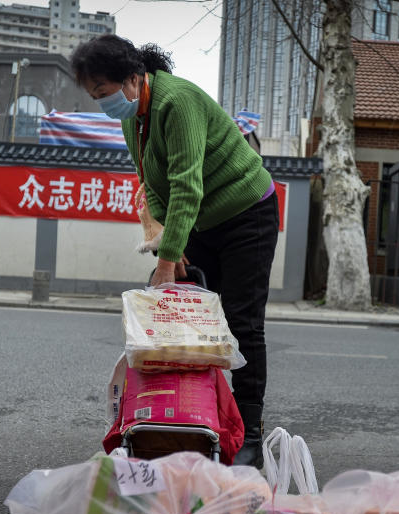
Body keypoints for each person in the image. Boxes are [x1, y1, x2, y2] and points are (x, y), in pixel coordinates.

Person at [70, 35, 279, 469]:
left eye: (104, 94)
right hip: (201, 219)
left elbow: (187, 184)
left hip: (246, 212)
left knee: (241, 321)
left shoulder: (176, 101)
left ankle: (252, 435)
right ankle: (200, 421)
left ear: (132, 78)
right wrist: (169, 242)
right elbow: (154, 186)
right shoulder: (134, 118)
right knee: (194, 326)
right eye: (95, 97)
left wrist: (168, 260)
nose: (102, 104)